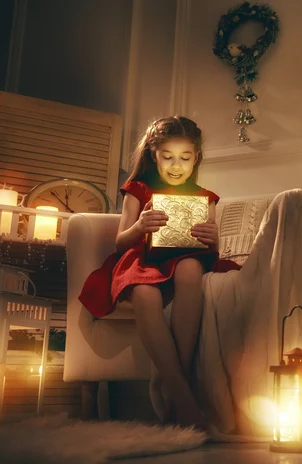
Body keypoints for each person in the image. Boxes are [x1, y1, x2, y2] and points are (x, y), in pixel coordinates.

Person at [78, 116, 240, 428]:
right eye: (167, 157)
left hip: (186, 258)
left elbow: (211, 249)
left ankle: (174, 399)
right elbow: (120, 240)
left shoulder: (205, 197)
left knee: (192, 268)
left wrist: (212, 239)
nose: (176, 166)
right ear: (154, 155)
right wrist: (139, 226)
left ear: (196, 158)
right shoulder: (138, 190)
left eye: (185, 158)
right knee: (143, 291)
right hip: (143, 259)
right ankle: (182, 396)